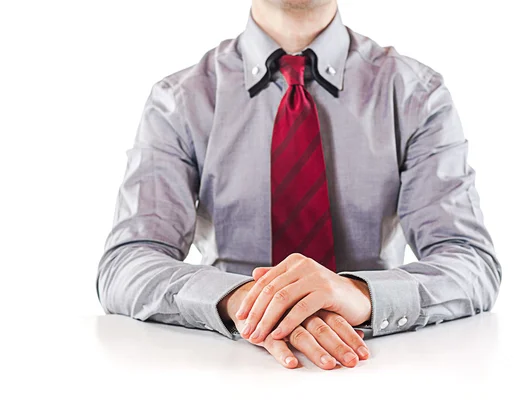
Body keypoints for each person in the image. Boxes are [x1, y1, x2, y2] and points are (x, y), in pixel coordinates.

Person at [96, 0, 502, 370]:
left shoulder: (416, 94)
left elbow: (469, 259)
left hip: (378, 366)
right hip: (225, 368)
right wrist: (246, 302)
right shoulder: (179, 101)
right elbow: (127, 262)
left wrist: (360, 294)